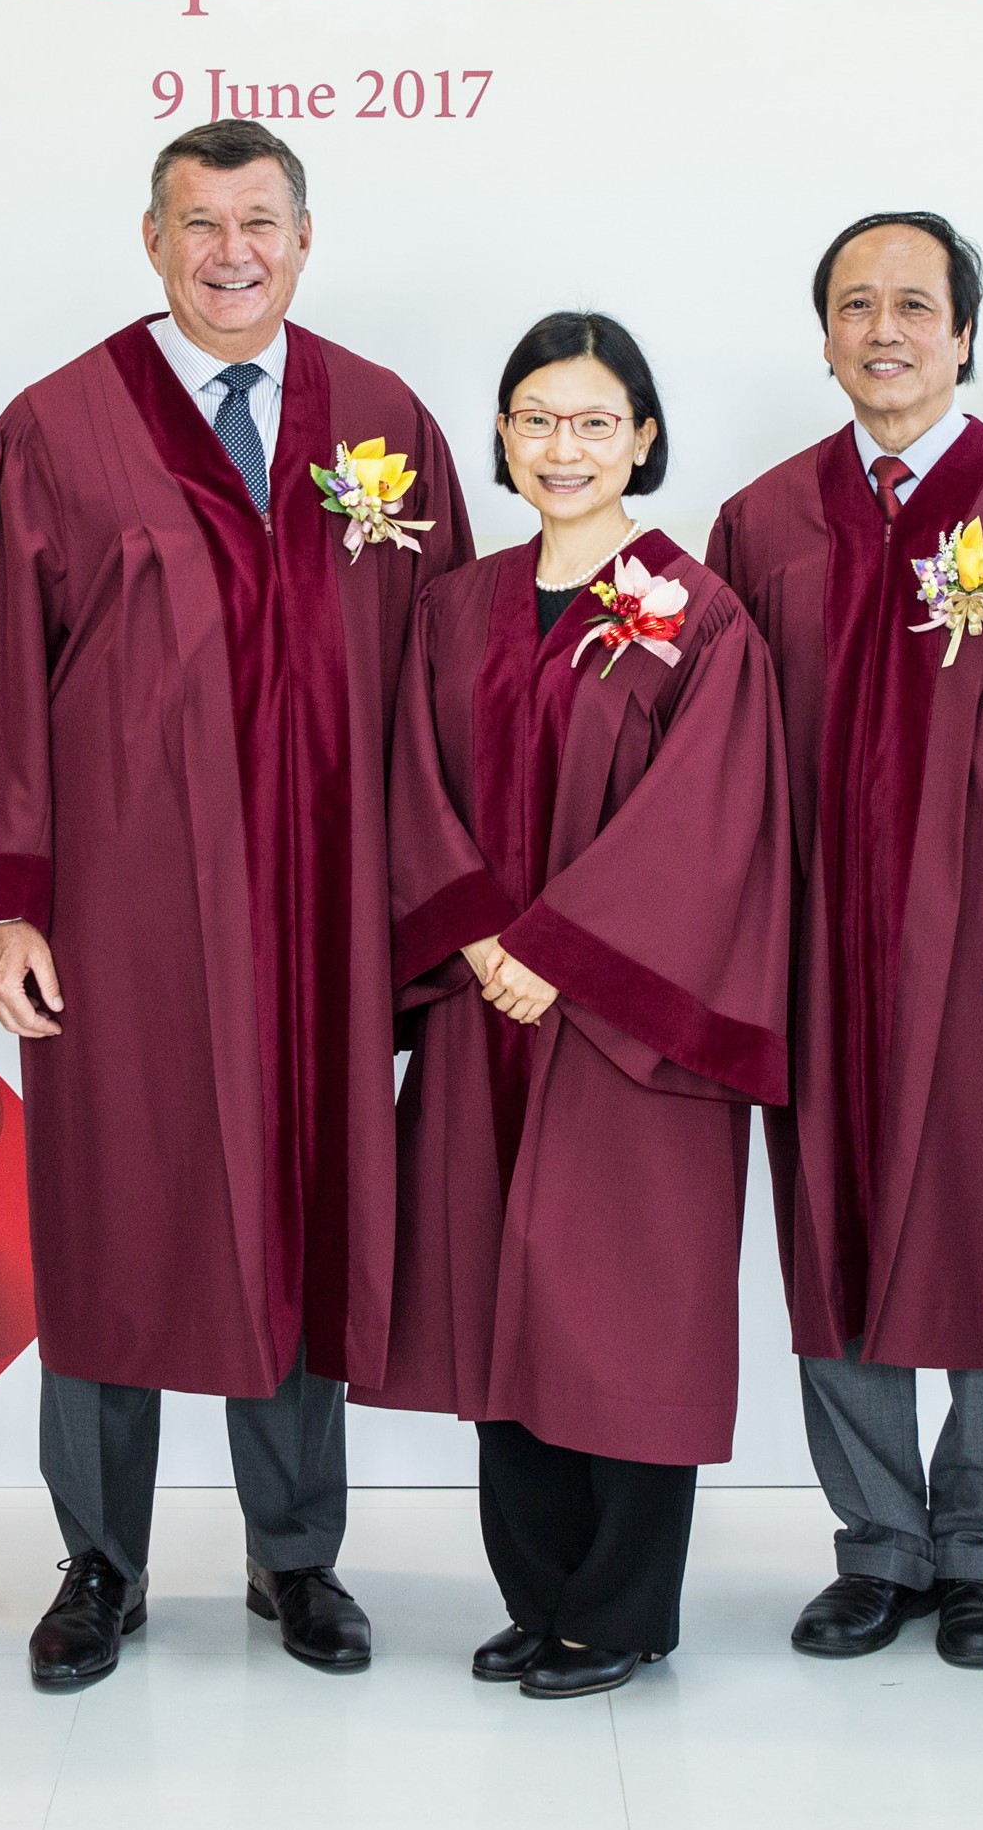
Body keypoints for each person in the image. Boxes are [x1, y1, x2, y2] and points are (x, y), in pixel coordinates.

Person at [0, 120, 473, 1688]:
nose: (232, 252)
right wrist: (3, 909)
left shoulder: (385, 421)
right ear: (152, 241)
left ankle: (295, 1555)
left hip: (325, 913)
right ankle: (99, 1560)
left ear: (304, 239)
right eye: (200, 223)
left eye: (259, 222)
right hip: (127, 919)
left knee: (302, 1210)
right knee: (115, 1221)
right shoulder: (56, 427)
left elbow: (448, 675)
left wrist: (439, 905)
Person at [366, 312, 790, 1699]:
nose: (564, 447)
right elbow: (410, 789)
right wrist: (481, 937)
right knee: (503, 1304)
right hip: (483, 1007)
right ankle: (537, 1594)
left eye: (595, 422)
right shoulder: (454, 607)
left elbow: (712, 821)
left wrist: (561, 950)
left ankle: (618, 1610)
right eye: (537, 419)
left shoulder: (696, 615)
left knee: (624, 1310)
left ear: (642, 438)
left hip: (631, 1027)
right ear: (502, 435)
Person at [709, 214, 983, 1671]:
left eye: (915, 305)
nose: (885, 330)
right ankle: (877, 1541)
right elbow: (719, 762)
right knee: (833, 1226)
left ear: (964, 335)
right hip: (813, 944)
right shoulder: (761, 524)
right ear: (822, 338)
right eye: (856, 306)